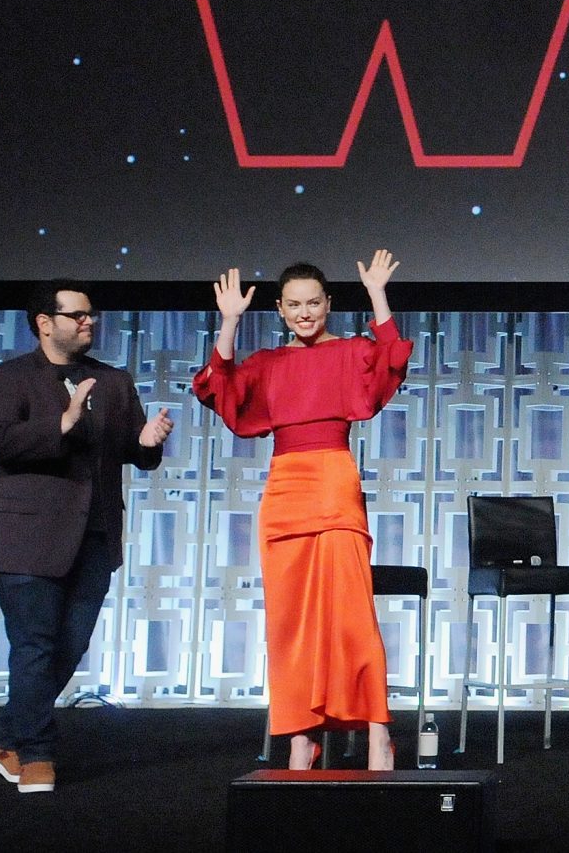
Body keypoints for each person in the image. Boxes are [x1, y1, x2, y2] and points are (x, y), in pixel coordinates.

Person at [194, 252, 411, 770]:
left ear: (328, 304)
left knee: (353, 617)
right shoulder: (268, 363)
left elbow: (392, 358)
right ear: (280, 309)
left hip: (334, 481)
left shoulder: (351, 351)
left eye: (313, 303)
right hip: (285, 489)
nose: (305, 313)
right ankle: (299, 735)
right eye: (294, 305)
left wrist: (377, 294)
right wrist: (230, 322)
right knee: (290, 624)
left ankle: (378, 731)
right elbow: (218, 385)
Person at [0, 280, 174, 793]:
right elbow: (1, 441)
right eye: (77, 315)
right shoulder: (6, 378)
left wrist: (147, 443)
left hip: (94, 535)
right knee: (35, 644)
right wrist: (62, 422)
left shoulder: (113, 381)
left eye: (91, 314)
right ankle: (36, 753)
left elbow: (134, 451)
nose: (89, 322)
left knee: (71, 645)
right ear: (44, 323)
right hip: (23, 536)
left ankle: (3, 738)